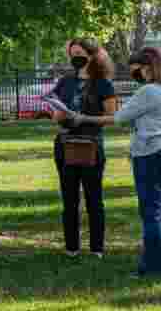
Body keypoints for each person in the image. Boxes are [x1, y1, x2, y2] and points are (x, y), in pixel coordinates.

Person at [81, 48, 161, 276]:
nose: (134, 75)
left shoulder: (148, 92)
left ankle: (154, 267)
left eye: (136, 70)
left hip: (150, 155)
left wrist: (83, 117)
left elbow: (118, 118)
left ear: (147, 67)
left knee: (151, 212)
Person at [46, 39, 118, 257]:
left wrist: (84, 118)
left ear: (92, 55)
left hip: (90, 145)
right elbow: (55, 112)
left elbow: (111, 117)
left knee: (93, 198)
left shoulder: (103, 84)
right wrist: (57, 115)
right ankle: (71, 248)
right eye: (72, 53)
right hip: (65, 144)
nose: (75, 57)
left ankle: (97, 248)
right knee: (69, 199)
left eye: (79, 53)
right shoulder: (65, 82)